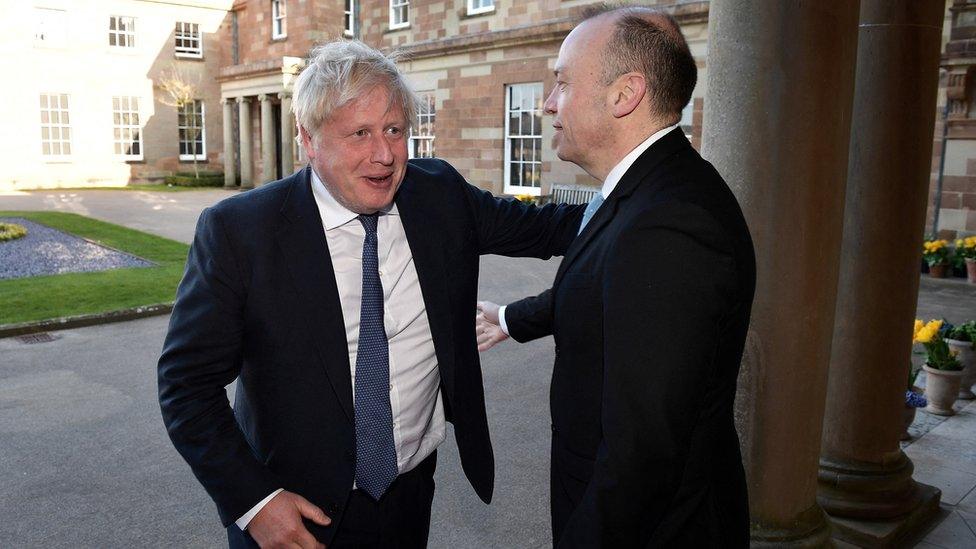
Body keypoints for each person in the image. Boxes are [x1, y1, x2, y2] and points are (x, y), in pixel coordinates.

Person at [157, 40, 582, 549]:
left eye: (395, 130)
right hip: (294, 512)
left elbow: (551, 228)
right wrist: (254, 502)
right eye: (360, 133)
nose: (384, 155)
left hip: (409, 494)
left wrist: (649, 192)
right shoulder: (240, 232)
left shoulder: (438, 195)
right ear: (308, 140)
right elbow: (186, 386)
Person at [477, 6, 755, 547]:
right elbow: (601, 288)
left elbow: (642, 455)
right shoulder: (644, 192)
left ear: (625, 94)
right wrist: (511, 317)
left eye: (561, 83)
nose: (549, 104)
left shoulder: (669, 226)